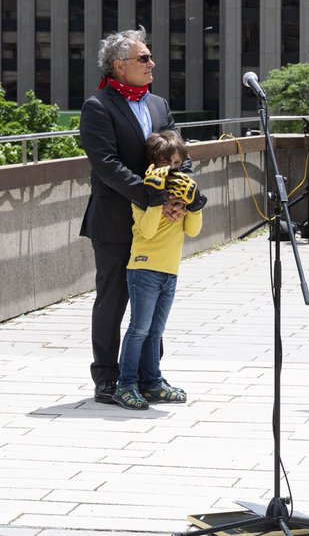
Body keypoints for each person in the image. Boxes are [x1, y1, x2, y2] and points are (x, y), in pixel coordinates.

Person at [79, 27, 188, 405]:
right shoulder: (98, 106)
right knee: (113, 299)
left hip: (157, 227)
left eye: (150, 56)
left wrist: (181, 194)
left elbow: (178, 154)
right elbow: (106, 164)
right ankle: (108, 378)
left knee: (153, 303)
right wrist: (150, 196)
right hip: (115, 220)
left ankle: (147, 376)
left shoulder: (158, 105)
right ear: (118, 66)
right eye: (143, 58)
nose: (151, 63)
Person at [113, 131, 205, 410]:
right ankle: (125, 385)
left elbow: (193, 230)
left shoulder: (180, 194)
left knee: (156, 331)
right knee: (139, 329)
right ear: (154, 163)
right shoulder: (142, 192)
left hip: (169, 270)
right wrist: (154, 200)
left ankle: (153, 383)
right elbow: (147, 231)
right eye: (169, 163)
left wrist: (194, 206)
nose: (175, 170)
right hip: (144, 268)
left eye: (179, 163)